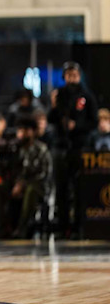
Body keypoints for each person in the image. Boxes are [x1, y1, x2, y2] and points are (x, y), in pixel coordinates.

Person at [47, 61, 98, 237]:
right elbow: (51, 120)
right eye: (68, 75)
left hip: (79, 146)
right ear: (64, 77)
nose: (71, 77)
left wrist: (77, 125)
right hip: (61, 147)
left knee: (79, 188)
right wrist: (53, 106)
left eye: (74, 74)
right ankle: (63, 227)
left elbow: (94, 122)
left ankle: (78, 226)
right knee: (61, 188)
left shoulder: (87, 95)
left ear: (79, 75)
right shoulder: (59, 94)